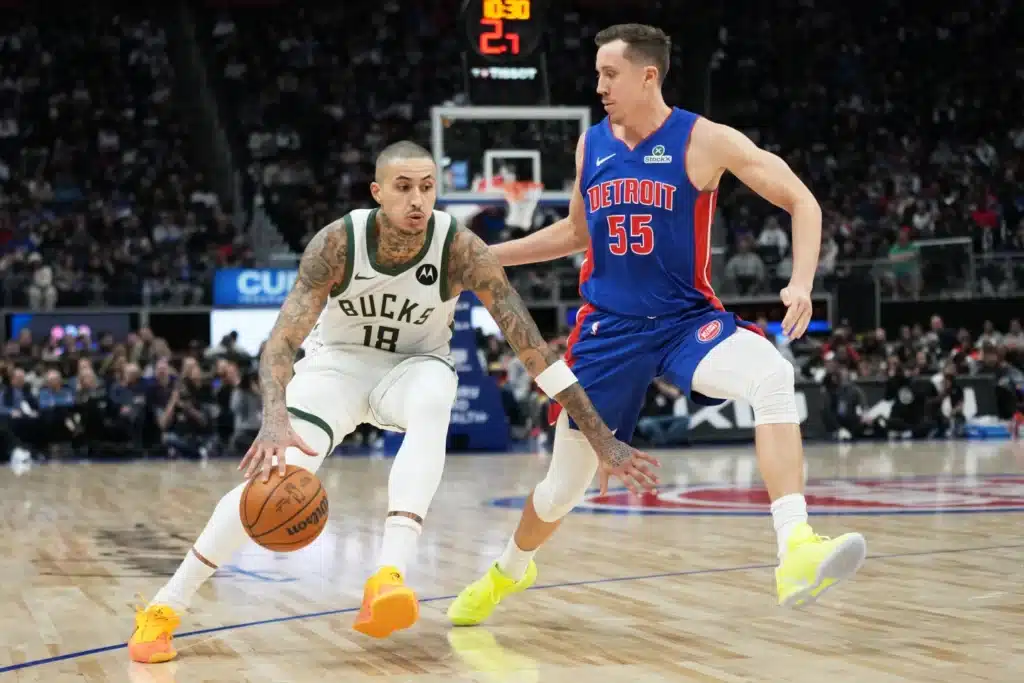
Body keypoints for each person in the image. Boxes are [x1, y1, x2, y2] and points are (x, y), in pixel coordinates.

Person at [128, 141, 658, 663]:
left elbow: (534, 351)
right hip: (338, 365)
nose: (417, 200)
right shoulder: (338, 243)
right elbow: (282, 341)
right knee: (272, 478)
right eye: (403, 188)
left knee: (434, 398)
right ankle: (164, 609)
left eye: (427, 187)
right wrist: (274, 416)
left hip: (415, 366)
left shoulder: (460, 249)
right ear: (377, 192)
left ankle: (389, 576)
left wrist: (600, 435)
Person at [447, 24, 868, 627]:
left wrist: (801, 281)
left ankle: (795, 548)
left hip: (684, 321)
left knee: (772, 374)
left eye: (609, 74)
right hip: (608, 332)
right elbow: (575, 234)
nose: (599, 87)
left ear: (649, 75)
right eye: (597, 74)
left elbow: (803, 200)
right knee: (560, 490)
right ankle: (508, 570)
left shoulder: (705, 140)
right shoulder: (591, 145)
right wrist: (490, 256)